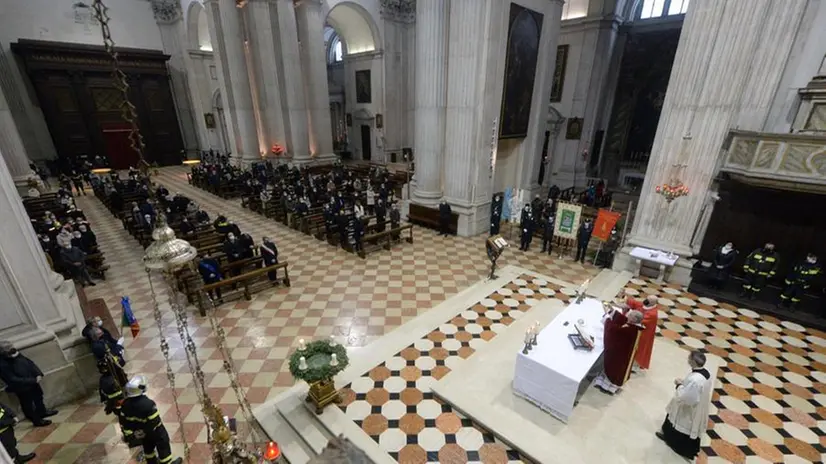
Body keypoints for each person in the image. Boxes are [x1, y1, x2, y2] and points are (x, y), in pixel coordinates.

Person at [656, 350, 712, 460]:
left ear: (693, 362)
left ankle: (674, 443)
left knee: (679, 423)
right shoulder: (706, 373)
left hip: (688, 410)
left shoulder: (695, 380)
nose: (688, 360)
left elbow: (687, 399)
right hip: (699, 406)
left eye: (689, 359)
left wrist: (679, 385)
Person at [119, 375, 182, 464]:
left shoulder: (125, 405)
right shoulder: (148, 404)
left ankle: (152, 462)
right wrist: (147, 431)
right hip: (156, 431)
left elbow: (124, 421)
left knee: (148, 447)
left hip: (141, 433)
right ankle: (167, 462)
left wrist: (134, 434)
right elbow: (154, 421)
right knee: (163, 446)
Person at [0, 342, 57, 427]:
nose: (13, 349)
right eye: (9, 348)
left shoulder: (16, 354)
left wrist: (38, 373)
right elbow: (12, 379)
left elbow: (29, 363)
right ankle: (36, 420)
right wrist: (32, 380)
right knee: (28, 405)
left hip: (33, 381)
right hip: (22, 387)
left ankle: (42, 412)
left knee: (39, 397)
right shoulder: (2, 364)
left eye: (12, 346)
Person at [593, 308, 644, 395]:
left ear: (634, 319)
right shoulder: (635, 327)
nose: (628, 315)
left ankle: (607, 387)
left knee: (613, 369)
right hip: (624, 353)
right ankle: (604, 383)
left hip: (619, 355)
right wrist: (613, 312)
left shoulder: (630, 329)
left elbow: (614, 331)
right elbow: (624, 320)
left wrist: (607, 319)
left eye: (630, 315)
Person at [633, 297, 659, 372]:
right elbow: (636, 303)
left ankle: (635, 365)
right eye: (647, 298)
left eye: (649, 300)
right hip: (639, 331)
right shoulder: (646, 305)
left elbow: (641, 320)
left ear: (653, 303)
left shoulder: (653, 313)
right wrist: (624, 297)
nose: (646, 301)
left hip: (644, 334)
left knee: (640, 349)